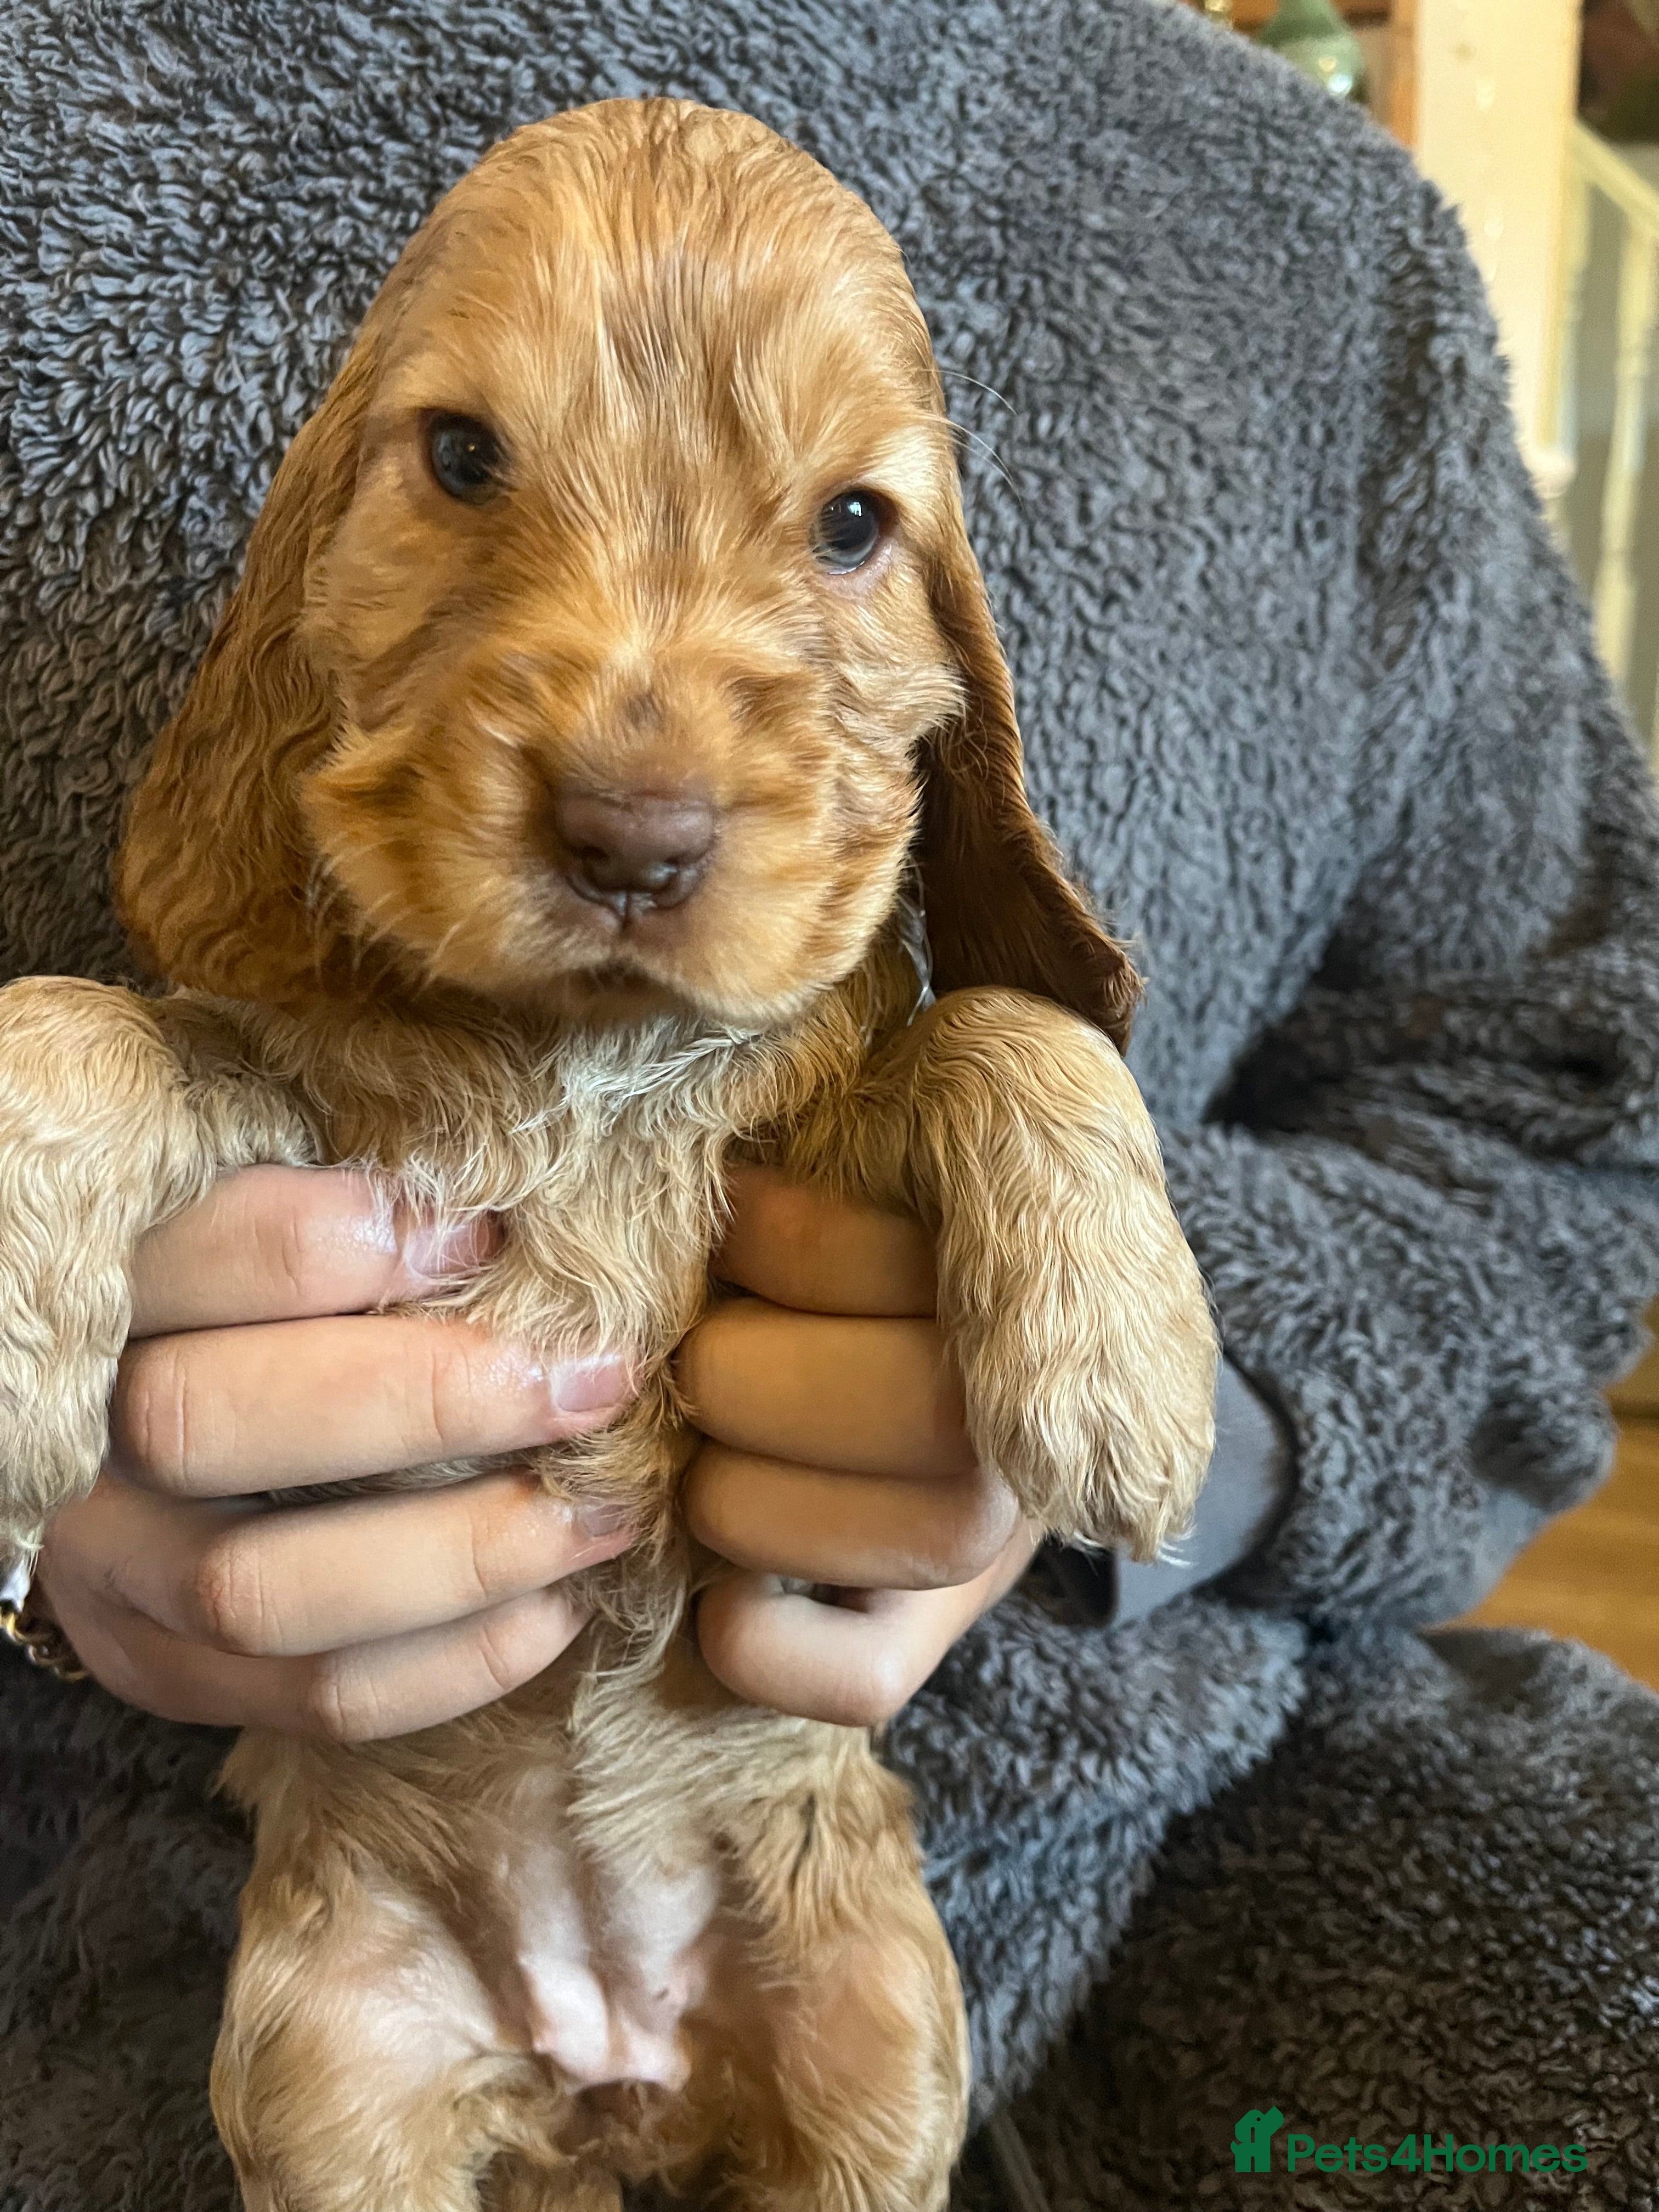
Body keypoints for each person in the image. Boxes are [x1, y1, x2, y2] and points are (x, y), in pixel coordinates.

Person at [3, 1, 1657, 2204]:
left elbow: (1575, 1097)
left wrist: (1162, 1343)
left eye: (853, 522)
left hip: (1057, 1851)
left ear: (957, 640)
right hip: (193, 1899)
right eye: (468, 468)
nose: (636, 778)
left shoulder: (1336, 255)